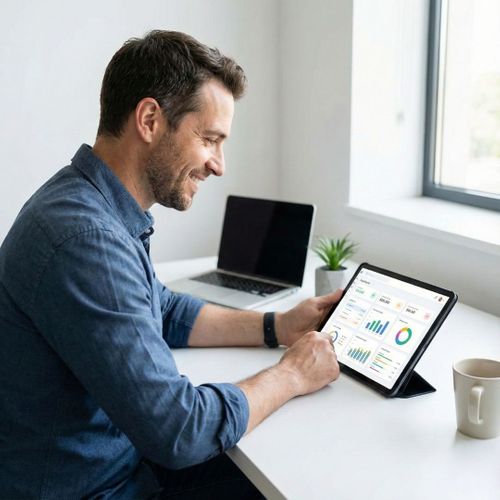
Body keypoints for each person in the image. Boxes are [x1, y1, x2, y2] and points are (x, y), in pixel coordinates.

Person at [0, 30, 340, 499]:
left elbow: (163, 309)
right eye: (209, 139)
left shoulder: (88, 204)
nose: (218, 165)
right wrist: (293, 374)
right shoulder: (85, 238)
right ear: (150, 119)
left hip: (116, 466)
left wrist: (277, 325)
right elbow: (180, 430)